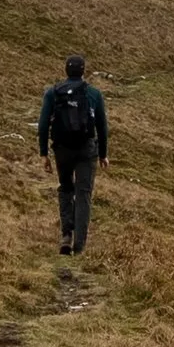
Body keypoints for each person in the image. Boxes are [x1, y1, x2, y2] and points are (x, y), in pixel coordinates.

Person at [38, 53, 108, 253]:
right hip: (87, 149)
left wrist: (44, 153)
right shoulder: (93, 94)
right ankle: (80, 245)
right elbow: (102, 127)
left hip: (62, 149)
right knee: (83, 193)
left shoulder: (53, 93)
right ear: (83, 71)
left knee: (66, 188)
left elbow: (43, 125)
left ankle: (66, 235)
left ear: (66, 71)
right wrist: (103, 154)